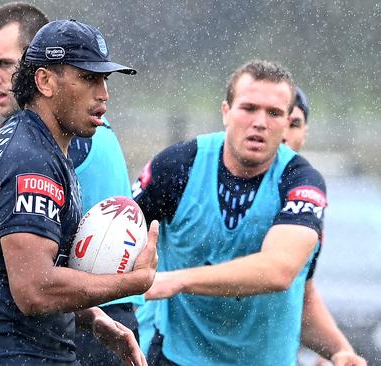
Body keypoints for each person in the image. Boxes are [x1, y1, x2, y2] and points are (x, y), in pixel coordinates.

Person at [0, 19, 157, 366]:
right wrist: (134, 281)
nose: (103, 93)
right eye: (88, 78)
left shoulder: (33, 143)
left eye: (105, 79)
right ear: (44, 81)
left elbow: (27, 271)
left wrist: (96, 319)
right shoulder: (31, 160)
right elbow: (33, 290)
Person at [132, 60, 356, 366]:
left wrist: (340, 351)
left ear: (289, 121)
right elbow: (116, 241)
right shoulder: (177, 167)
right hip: (178, 357)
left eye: (274, 113)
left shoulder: (302, 182)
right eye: (249, 108)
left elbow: (283, 274)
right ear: (226, 112)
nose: (260, 122)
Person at [282, 87, 365, 365]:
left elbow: (301, 298)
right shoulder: (189, 170)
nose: (282, 133)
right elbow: (274, 274)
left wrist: (340, 352)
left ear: (305, 133)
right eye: (274, 117)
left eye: (293, 123)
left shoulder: (305, 196)